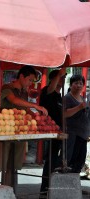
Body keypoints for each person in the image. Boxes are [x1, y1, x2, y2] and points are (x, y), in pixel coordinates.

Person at [0, 65, 48, 186]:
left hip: (19, 131)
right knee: (0, 164)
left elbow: (24, 109)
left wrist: (39, 119)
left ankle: (9, 191)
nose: (31, 83)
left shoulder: (24, 92)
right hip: (4, 132)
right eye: (29, 80)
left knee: (13, 166)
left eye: (32, 81)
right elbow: (13, 100)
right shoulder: (7, 88)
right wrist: (35, 106)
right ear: (21, 76)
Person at [39, 68, 67, 197]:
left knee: (57, 160)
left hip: (59, 133)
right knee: (50, 160)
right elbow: (51, 88)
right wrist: (60, 73)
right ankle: (44, 189)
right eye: (60, 78)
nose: (62, 80)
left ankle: (52, 187)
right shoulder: (47, 91)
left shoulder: (61, 97)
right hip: (48, 131)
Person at [64, 75, 90, 173]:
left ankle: (74, 183)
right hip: (73, 135)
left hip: (83, 135)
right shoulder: (67, 98)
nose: (78, 85)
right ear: (70, 85)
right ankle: (68, 184)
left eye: (81, 83)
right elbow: (64, 114)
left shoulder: (83, 99)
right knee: (71, 162)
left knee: (80, 162)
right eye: (76, 83)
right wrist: (79, 107)